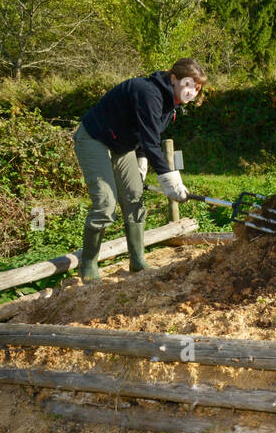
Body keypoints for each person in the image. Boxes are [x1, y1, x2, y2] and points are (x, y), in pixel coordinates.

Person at [72, 58, 206, 280]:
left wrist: (142, 160)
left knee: (134, 196)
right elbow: (152, 141)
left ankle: (137, 261)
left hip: (122, 146)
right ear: (174, 79)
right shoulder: (148, 93)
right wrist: (171, 181)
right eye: (189, 85)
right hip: (94, 138)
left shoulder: (170, 103)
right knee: (105, 203)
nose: (192, 92)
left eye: (197, 88)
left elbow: (147, 133)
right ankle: (88, 265)